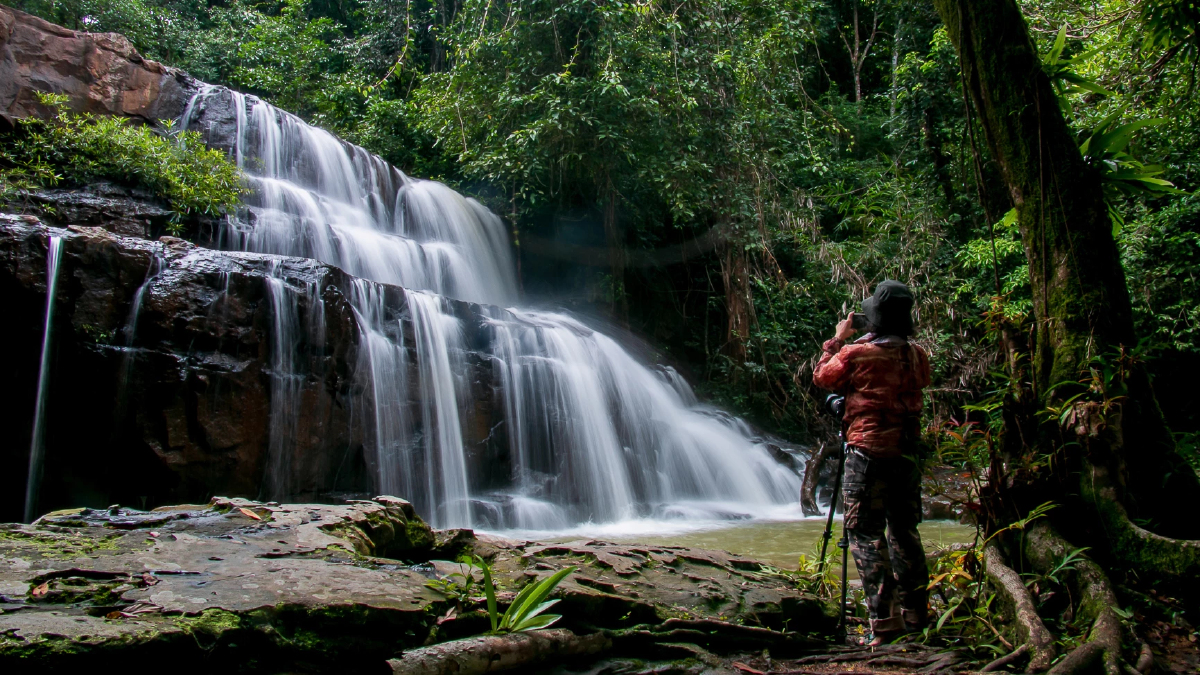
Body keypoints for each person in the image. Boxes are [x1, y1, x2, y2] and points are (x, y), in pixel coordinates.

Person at [813, 279, 931, 644]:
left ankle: (884, 624)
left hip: (867, 452)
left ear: (874, 319)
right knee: (904, 532)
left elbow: (823, 376)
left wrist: (838, 338)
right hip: (908, 453)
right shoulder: (918, 356)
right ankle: (917, 618)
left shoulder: (857, 354)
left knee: (864, 534)